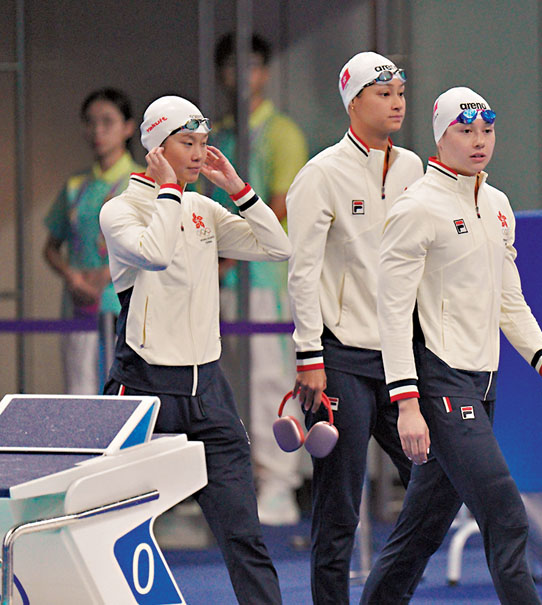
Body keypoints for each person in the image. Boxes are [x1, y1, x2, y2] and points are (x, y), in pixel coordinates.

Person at [360, 86, 542, 605]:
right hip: (439, 381)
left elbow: (510, 298)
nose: (479, 141)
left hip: (483, 382)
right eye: (465, 131)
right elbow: (392, 314)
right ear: (441, 138)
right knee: (505, 511)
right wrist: (407, 403)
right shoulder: (417, 208)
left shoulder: (497, 203)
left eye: (486, 130)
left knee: (420, 531)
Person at [99, 95, 291, 605]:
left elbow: (278, 246)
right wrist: (166, 190)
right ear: (156, 147)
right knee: (110, 532)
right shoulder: (119, 211)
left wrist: (238, 189)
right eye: (187, 143)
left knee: (243, 535)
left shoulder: (204, 207)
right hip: (142, 389)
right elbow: (156, 255)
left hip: (208, 392)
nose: (199, 154)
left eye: (204, 144)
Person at [285, 51, 421, 605]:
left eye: (400, 94)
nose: (396, 103)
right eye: (383, 93)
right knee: (339, 506)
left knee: (434, 483)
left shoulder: (415, 170)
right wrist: (308, 355)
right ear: (354, 100)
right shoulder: (321, 174)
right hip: (340, 359)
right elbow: (303, 269)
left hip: (402, 359)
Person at [210, 32, 310, 526]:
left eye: (251, 64)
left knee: (270, 383)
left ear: (265, 72)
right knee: (229, 388)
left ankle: (280, 484)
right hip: (221, 282)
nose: (241, 75)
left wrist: (228, 257)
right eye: (231, 65)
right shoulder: (221, 134)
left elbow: (280, 203)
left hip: (264, 278)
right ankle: (247, 480)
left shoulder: (281, 132)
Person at [43, 88, 142, 395]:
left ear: (128, 127)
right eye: (90, 122)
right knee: (80, 392)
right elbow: (50, 247)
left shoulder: (144, 181)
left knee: (126, 397)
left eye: (107, 122)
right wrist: (71, 275)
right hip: (80, 306)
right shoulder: (76, 185)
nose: (97, 131)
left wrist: (105, 275)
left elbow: (155, 245)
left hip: (128, 307)